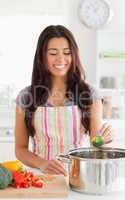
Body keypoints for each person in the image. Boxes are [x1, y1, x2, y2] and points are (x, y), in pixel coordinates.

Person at [15, 25, 113, 175]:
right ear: (42, 56)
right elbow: (20, 149)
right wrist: (42, 164)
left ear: (74, 55)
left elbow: (95, 143)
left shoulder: (89, 94)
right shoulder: (26, 96)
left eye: (67, 52)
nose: (61, 59)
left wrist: (103, 140)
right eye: (53, 53)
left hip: (80, 176)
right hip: (42, 177)